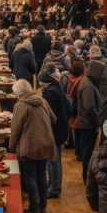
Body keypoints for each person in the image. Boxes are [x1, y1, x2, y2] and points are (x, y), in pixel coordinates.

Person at [10, 79, 57, 213]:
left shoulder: (20, 105)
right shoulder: (41, 100)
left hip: (29, 145)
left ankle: (33, 209)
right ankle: (43, 207)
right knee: (42, 175)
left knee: (30, 177)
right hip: (45, 143)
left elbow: (15, 129)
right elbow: (53, 118)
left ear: (18, 94)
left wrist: (12, 146)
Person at [37, 67, 68, 198]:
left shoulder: (51, 93)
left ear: (42, 81)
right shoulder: (57, 87)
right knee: (54, 159)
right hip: (60, 128)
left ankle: (54, 188)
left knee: (54, 160)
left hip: (55, 130)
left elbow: (48, 114)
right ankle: (52, 184)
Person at [77, 60, 106, 183]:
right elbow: (89, 107)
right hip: (88, 124)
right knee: (88, 152)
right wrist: (99, 121)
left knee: (88, 151)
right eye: (102, 71)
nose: (103, 74)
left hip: (88, 122)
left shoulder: (90, 82)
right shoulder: (88, 85)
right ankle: (87, 178)